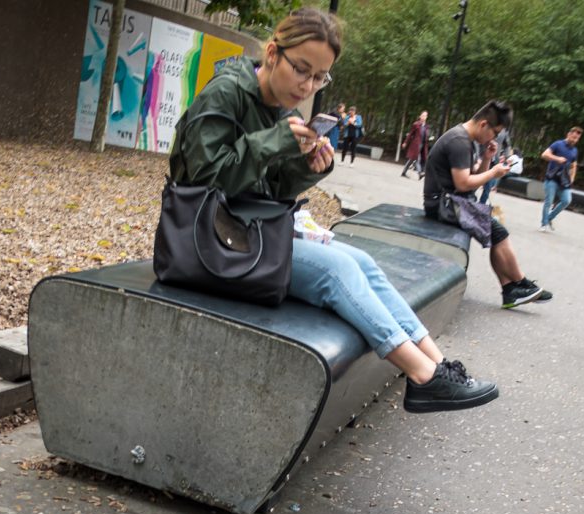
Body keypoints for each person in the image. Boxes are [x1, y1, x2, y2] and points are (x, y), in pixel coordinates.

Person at [167, 8, 498, 413]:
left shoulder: (282, 109)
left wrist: (304, 169)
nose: (308, 86)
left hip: (245, 232)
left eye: (320, 77)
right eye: (301, 70)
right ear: (272, 53)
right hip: (205, 244)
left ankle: (437, 364)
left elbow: (269, 191)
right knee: (335, 271)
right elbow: (204, 179)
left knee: (361, 260)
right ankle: (422, 376)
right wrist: (275, 143)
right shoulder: (226, 92)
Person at [423, 99, 553, 309]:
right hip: (443, 205)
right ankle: (520, 283)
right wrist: (493, 172)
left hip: (452, 201)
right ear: (484, 124)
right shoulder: (459, 141)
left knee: (496, 234)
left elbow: (471, 177)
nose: (495, 137)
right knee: (499, 233)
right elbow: (463, 183)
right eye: (495, 132)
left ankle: (511, 289)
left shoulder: (467, 139)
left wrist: (487, 158)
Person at [540, 126, 582, 232]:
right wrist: (557, 158)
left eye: (577, 139)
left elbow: (574, 165)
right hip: (552, 178)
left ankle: (549, 218)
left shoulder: (575, 150)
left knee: (567, 200)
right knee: (549, 201)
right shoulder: (558, 144)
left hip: (564, 180)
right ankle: (544, 224)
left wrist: (572, 178)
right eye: (573, 137)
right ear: (568, 134)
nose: (574, 140)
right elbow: (544, 155)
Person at [479, 128, 511, 205]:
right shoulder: (486, 123)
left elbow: (507, 145)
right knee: (474, 183)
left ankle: (481, 206)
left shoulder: (504, 130)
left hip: (494, 161)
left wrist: (505, 156)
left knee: (488, 186)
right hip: (480, 158)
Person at [401, 111, 429, 179]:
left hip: (422, 145)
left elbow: (425, 136)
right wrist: (405, 142)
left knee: (411, 160)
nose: (423, 117)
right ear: (420, 116)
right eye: (422, 115)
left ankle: (404, 172)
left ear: (426, 117)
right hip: (415, 145)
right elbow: (410, 134)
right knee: (417, 158)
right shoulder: (416, 124)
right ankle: (420, 173)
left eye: (425, 116)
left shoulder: (426, 126)